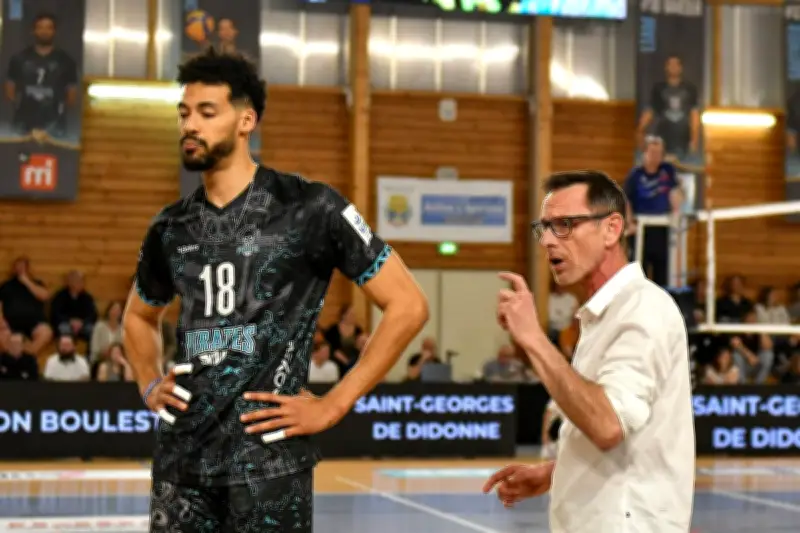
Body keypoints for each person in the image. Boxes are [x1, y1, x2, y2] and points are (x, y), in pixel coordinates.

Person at [122, 47, 429, 532]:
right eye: (183, 113)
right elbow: (138, 316)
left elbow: (408, 305)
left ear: (247, 121)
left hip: (269, 467)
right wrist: (147, 382)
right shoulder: (170, 227)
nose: (190, 126)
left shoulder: (309, 207)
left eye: (207, 112)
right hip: (181, 466)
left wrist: (334, 403)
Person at [483, 170, 694, 532]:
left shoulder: (643, 308)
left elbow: (607, 424)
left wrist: (533, 338)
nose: (548, 240)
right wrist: (555, 472)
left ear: (612, 229)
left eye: (564, 224)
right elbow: (625, 442)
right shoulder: (603, 315)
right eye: (544, 227)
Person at [5, 12, 79, 138]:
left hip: (55, 126)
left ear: (54, 31)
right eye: (40, 27)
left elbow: (71, 96)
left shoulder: (66, 61)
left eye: (48, 27)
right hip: (23, 125)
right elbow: (10, 90)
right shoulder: (19, 59)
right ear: (33, 31)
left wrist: (58, 111)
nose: (44, 31)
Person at [623, 135, 683, 288]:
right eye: (652, 152)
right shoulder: (635, 175)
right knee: (638, 271)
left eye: (659, 153)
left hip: (662, 228)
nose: (655, 157)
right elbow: (626, 200)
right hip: (641, 228)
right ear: (645, 153)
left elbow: (675, 192)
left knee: (661, 272)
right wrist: (630, 223)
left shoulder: (667, 170)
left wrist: (676, 214)